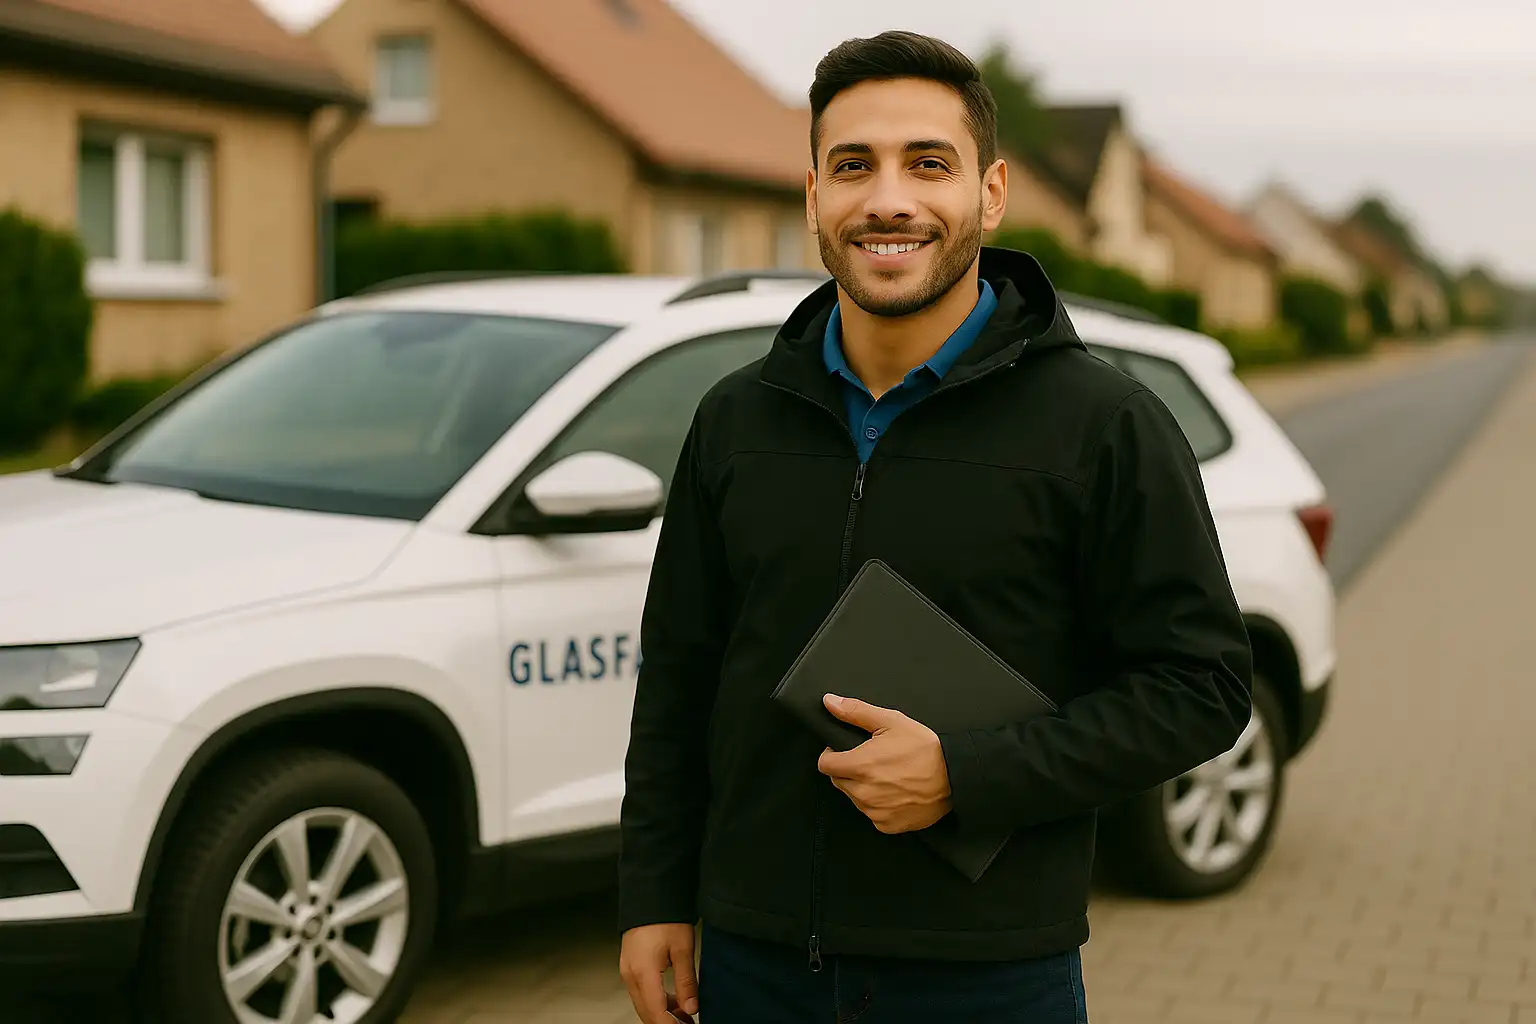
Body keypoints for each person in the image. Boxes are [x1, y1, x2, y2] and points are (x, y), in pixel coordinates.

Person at [616, 29, 1253, 1024]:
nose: (889, 200)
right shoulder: (735, 420)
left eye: (928, 163)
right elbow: (679, 674)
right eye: (853, 165)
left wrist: (970, 773)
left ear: (990, 194)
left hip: (987, 975)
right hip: (754, 965)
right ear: (815, 195)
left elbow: (1202, 686)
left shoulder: (1105, 425)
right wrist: (654, 895)